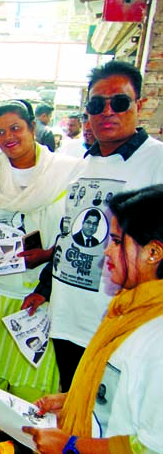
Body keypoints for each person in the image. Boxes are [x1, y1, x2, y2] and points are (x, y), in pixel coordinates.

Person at [21, 61, 163, 392]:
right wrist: (45, 289)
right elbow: (68, 234)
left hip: (117, 327)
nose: (107, 112)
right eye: (98, 105)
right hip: (68, 320)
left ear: (139, 105)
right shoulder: (83, 163)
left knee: (105, 425)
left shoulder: (157, 162)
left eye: (120, 102)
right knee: (72, 412)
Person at [24, 185, 163, 454]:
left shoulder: (156, 335)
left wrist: (71, 447)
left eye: (116, 242)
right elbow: (127, 396)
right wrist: (73, 402)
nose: (106, 252)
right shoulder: (128, 310)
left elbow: (154, 450)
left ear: (153, 253)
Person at [0, 100, 85, 401]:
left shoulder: (68, 172)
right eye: (0, 132)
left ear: (33, 127)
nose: (7, 137)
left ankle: (25, 443)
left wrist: (49, 254)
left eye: (15, 128)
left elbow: (75, 231)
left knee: (31, 380)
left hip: (40, 293)